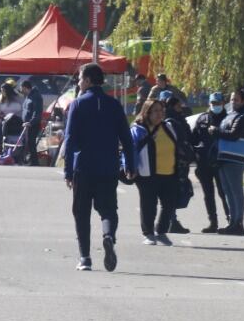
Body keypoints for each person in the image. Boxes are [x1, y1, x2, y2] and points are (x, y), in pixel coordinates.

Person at [63, 63, 135, 271]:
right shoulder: (114, 105)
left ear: (87, 80)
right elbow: (127, 138)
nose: (78, 82)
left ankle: (85, 257)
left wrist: (68, 171)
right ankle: (109, 236)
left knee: (81, 212)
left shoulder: (77, 105)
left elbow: (69, 140)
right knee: (108, 210)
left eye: (79, 78)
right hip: (108, 167)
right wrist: (129, 164)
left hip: (83, 167)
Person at [130, 98, 189, 247]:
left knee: (169, 205)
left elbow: (178, 146)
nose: (159, 114)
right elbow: (130, 150)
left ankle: (161, 232)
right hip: (147, 174)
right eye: (155, 111)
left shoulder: (168, 127)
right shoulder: (138, 129)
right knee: (149, 205)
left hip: (169, 173)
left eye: (161, 111)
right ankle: (149, 234)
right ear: (147, 112)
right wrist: (130, 168)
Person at [215, 88, 244, 236]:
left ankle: (238, 223)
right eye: (232, 99)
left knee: (236, 191)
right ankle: (232, 222)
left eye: (236, 99)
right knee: (228, 191)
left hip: (236, 158)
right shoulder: (232, 115)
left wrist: (215, 131)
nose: (233, 102)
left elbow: (233, 135)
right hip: (224, 157)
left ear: (243, 101)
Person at [191, 92, 231, 234]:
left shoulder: (229, 119)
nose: (216, 106)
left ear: (223, 104)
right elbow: (194, 138)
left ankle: (231, 221)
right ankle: (213, 222)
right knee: (208, 194)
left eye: (218, 104)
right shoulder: (202, 118)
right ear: (210, 104)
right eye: (213, 104)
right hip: (204, 162)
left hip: (222, 162)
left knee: (224, 192)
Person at [162, 93, 192, 234]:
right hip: (176, 161)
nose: (180, 108)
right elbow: (178, 141)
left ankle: (171, 220)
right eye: (178, 105)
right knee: (173, 191)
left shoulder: (177, 119)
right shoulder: (171, 121)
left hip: (177, 160)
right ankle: (171, 221)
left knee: (175, 191)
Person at [19, 79, 45, 166]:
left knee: (31, 143)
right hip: (27, 124)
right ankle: (30, 160)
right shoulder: (28, 96)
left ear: (25, 88)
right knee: (28, 143)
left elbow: (37, 112)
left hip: (33, 124)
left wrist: (30, 122)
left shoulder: (36, 96)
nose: (21, 90)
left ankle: (34, 162)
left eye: (21, 88)